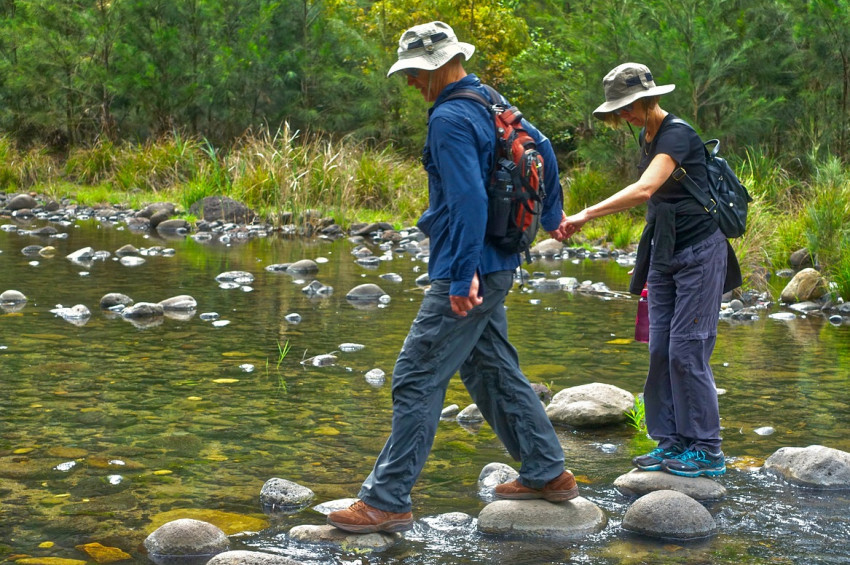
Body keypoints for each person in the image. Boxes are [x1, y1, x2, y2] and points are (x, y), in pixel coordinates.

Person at [327, 21, 577, 534]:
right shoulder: (490, 99)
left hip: (469, 270)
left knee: (416, 375)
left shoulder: (450, 118)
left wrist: (463, 276)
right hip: (501, 261)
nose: (412, 82)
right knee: (491, 370)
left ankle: (387, 500)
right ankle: (548, 473)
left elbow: (467, 200)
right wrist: (551, 215)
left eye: (417, 73)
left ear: (441, 65)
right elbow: (545, 149)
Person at [559, 63, 741, 478]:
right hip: (663, 253)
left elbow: (645, 189)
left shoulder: (677, 133)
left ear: (647, 99)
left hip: (699, 251)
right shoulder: (646, 134)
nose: (622, 115)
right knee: (660, 349)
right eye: (617, 110)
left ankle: (707, 449)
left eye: (626, 107)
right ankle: (671, 441)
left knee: (687, 350)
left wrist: (585, 214)